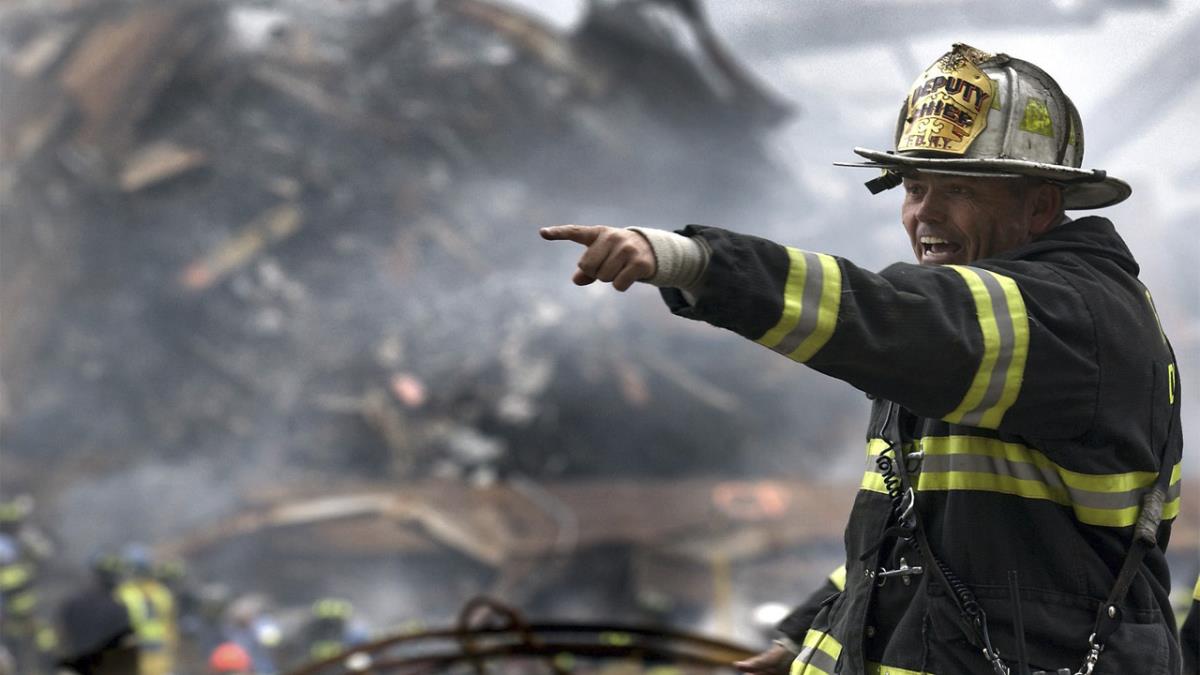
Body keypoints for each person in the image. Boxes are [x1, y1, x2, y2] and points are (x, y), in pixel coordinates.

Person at [542, 43, 1183, 674]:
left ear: (1039, 204)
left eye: (957, 189)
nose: (923, 214)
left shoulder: (1071, 317)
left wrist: (698, 263)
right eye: (913, 188)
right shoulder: (989, 332)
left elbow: (892, 313)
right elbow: (911, 535)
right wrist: (807, 641)